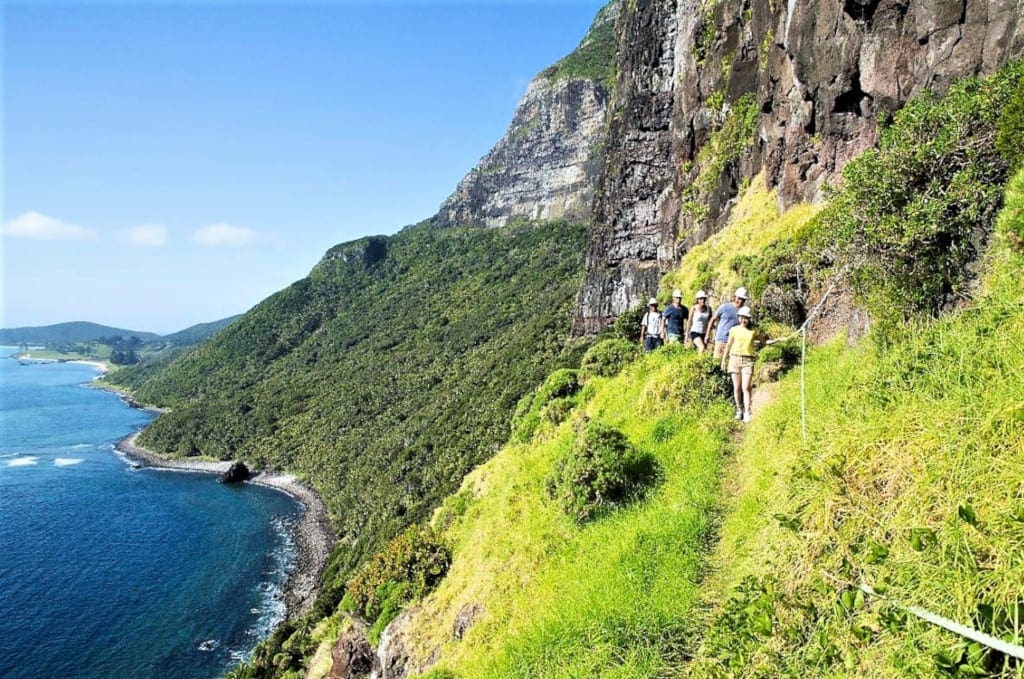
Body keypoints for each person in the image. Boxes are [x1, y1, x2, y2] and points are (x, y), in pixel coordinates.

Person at [721, 305, 758, 422]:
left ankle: (747, 411)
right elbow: (728, 345)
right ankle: (739, 409)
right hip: (734, 359)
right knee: (737, 387)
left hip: (748, 360)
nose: (743, 320)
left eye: (746, 318)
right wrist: (723, 360)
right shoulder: (734, 330)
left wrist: (777, 340)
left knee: (746, 387)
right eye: (741, 317)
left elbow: (763, 341)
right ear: (738, 318)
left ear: (749, 319)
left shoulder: (753, 331)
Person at [706, 286, 749, 360]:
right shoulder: (725, 307)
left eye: (742, 299)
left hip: (734, 343)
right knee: (717, 363)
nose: (740, 301)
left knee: (730, 366)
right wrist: (707, 335)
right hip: (721, 340)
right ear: (734, 297)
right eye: (739, 298)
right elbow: (713, 319)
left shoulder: (744, 312)